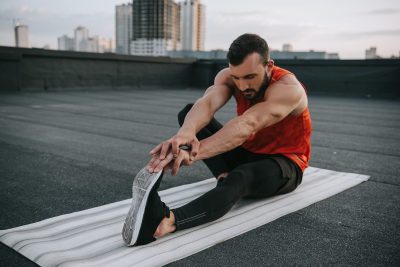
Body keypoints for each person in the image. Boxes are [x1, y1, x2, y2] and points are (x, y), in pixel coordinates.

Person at [121, 33, 312, 246]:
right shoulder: (228, 77)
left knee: (241, 177)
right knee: (188, 114)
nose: (242, 85)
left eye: (250, 77)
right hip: (248, 151)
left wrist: (192, 152)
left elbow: (248, 124)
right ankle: (224, 176)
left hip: (285, 163)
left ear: (269, 66)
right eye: (236, 77)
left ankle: (166, 221)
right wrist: (185, 134)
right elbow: (207, 103)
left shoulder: (288, 90)